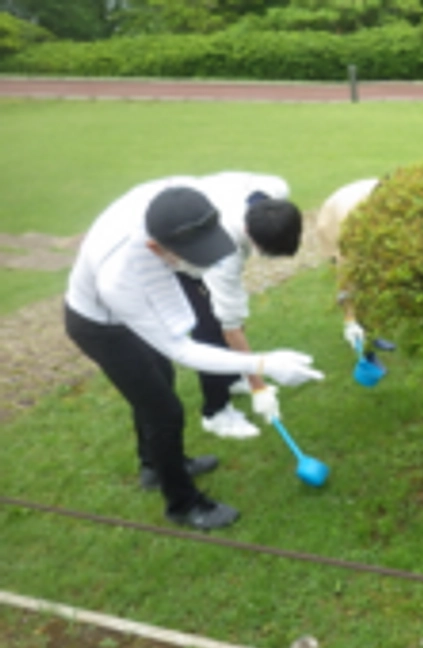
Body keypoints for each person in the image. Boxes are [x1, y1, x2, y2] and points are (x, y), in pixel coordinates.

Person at [65, 180, 324, 530]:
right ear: (159, 248)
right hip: (101, 324)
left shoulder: (181, 199)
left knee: (162, 379)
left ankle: (155, 467)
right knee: (163, 408)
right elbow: (181, 347)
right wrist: (262, 365)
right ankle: (183, 504)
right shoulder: (123, 275)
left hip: (130, 299)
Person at [179, 172, 301, 440]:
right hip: (177, 251)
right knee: (210, 330)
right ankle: (216, 413)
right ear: (248, 233)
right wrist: (259, 387)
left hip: (201, 206)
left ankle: (234, 376)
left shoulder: (276, 188)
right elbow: (231, 327)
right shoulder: (224, 250)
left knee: (225, 318)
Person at [315, 178, 380, 347]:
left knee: (372, 275)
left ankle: (371, 330)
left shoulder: (393, 200)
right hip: (331, 221)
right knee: (353, 276)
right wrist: (350, 320)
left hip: (359, 211)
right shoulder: (349, 220)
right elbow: (345, 273)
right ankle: (355, 324)